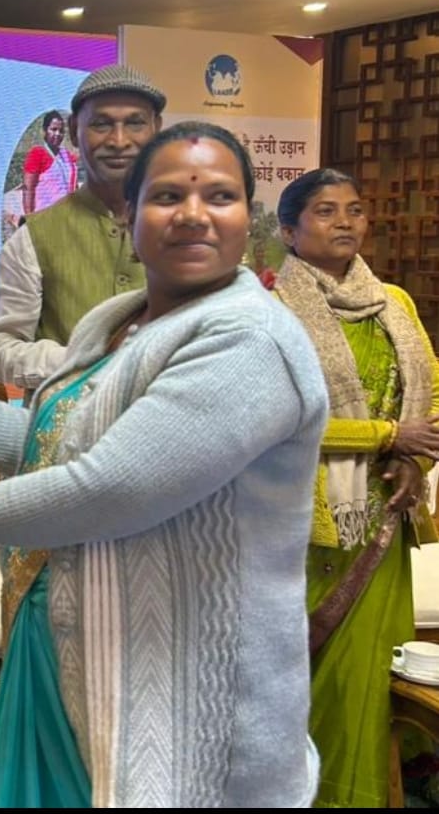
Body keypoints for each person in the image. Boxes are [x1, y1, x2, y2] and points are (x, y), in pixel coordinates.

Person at [0, 121, 328, 807]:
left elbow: (108, 490)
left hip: (179, 688)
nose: (192, 215)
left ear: (250, 219)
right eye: (166, 196)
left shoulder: (248, 339)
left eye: (219, 196)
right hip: (72, 650)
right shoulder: (119, 323)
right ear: (127, 216)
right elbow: (51, 452)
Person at [273, 168, 439, 807]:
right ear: (288, 231)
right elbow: (280, 421)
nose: (345, 221)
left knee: (372, 676)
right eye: (325, 210)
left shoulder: (395, 303)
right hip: (305, 524)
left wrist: (413, 458)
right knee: (315, 680)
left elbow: (432, 393)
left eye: (355, 209)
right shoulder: (272, 312)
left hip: (387, 514)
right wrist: (387, 435)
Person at [0, 64, 164, 641]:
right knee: (56, 638)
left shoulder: (186, 229)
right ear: (75, 133)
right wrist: (87, 359)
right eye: (102, 124)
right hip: (61, 466)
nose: (118, 139)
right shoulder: (35, 236)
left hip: (168, 464)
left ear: (158, 131)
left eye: (135, 123)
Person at [19, 109, 77, 218]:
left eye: (61, 131)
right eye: (53, 129)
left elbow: (73, 184)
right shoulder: (37, 153)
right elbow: (28, 188)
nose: (57, 134)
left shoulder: (65, 155)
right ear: (45, 130)